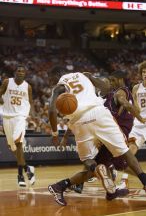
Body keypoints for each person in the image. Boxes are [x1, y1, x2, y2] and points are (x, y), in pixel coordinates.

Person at [48, 70, 146, 206]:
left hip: (78, 121)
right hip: (99, 114)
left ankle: (94, 173)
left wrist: (54, 134)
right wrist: (91, 78)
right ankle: (142, 181)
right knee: (125, 152)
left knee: (88, 160)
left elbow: (52, 111)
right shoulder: (84, 75)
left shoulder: (59, 88)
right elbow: (106, 88)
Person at [0, 65, 35, 187]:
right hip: (6, 117)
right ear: (15, 72)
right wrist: (1, 100)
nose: (20, 72)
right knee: (12, 147)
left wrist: (33, 114)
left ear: (25, 74)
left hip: (20, 116)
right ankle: (27, 169)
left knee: (18, 142)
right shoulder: (7, 82)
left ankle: (20, 175)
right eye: (18, 70)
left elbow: (30, 101)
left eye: (23, 71)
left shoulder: (27, 87)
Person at [129, 61, 146, 156]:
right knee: (132, 145)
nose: (145, 74)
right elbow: (134, 108)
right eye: (144, 72)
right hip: (140, 121)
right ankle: (125, 169)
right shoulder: (136, 88)